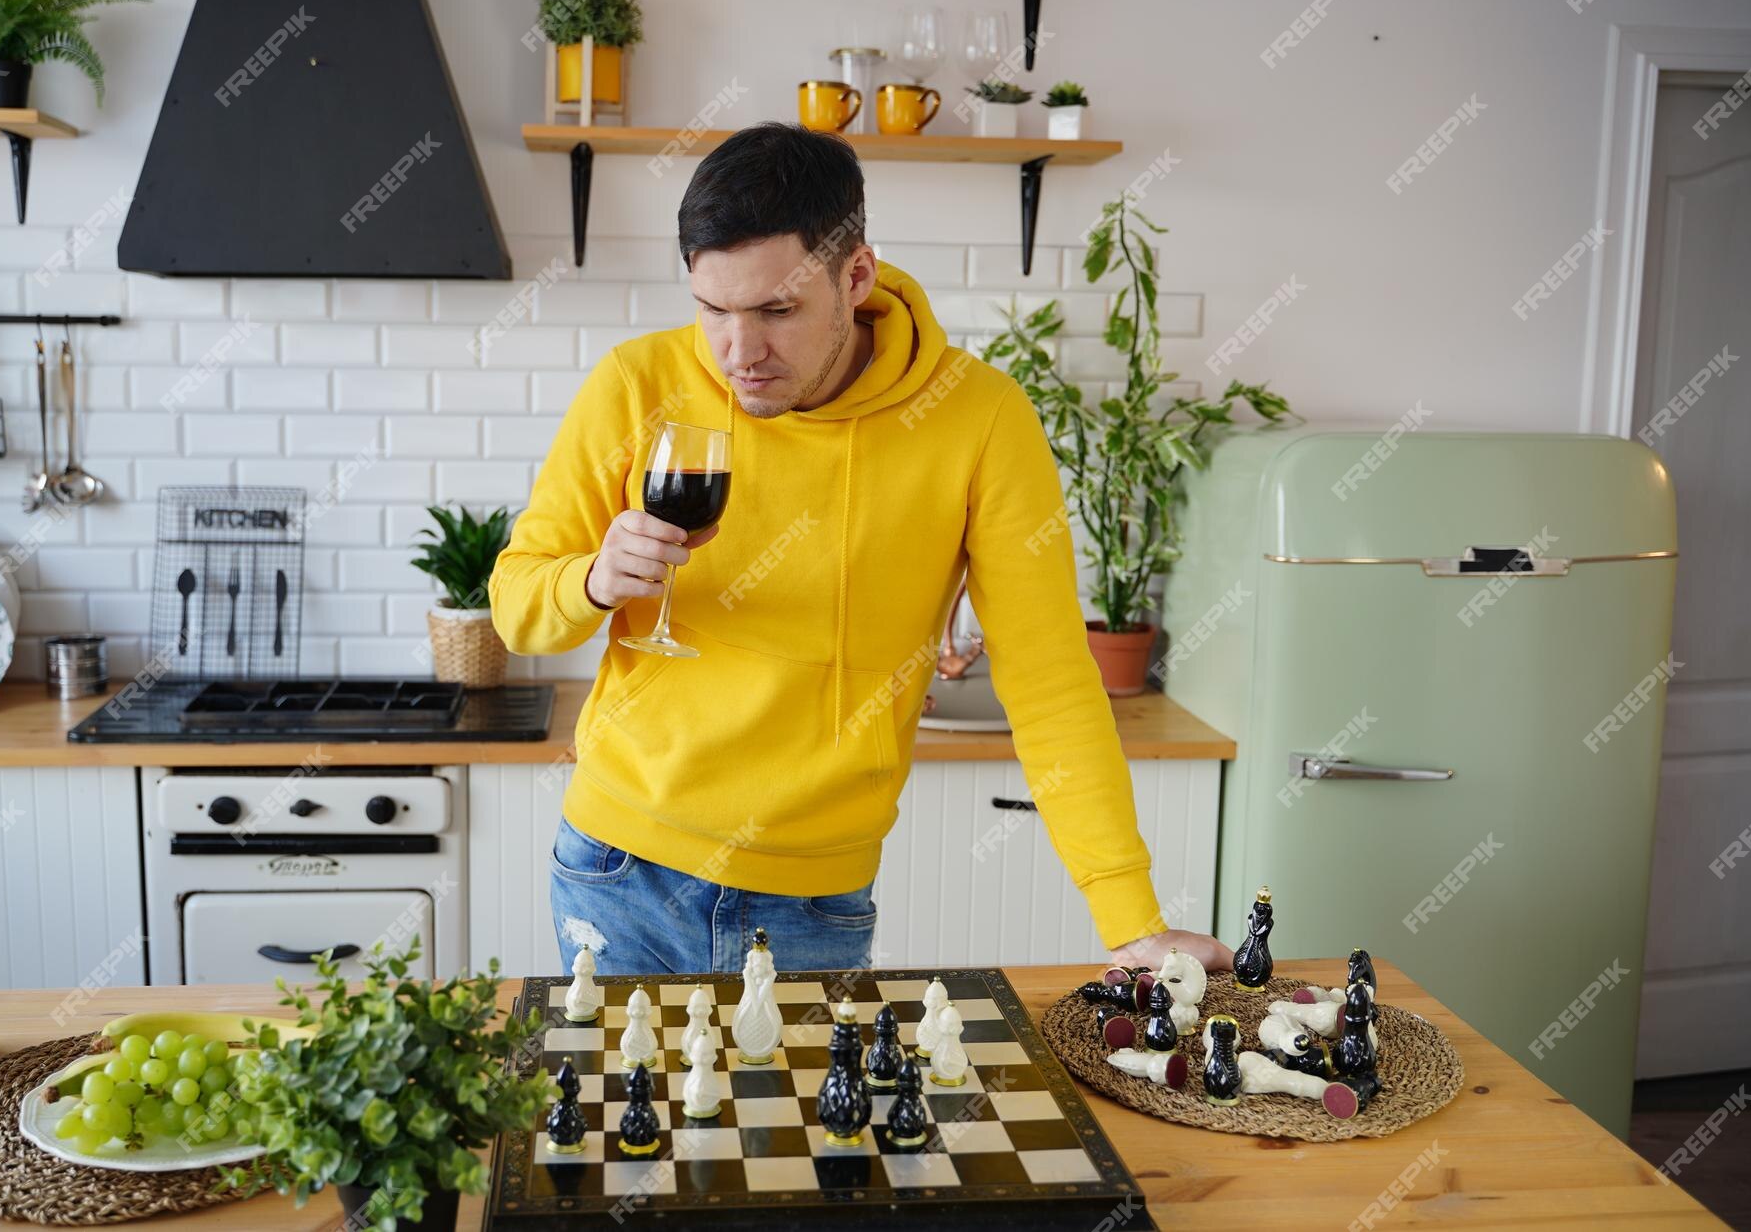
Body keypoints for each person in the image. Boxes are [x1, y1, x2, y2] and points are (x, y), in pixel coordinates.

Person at [490, 123, 1232, 978]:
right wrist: (591, 579)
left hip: (814, 901)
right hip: (617, 869)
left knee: (794, 1119)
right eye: (713, 309)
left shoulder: (979, 420)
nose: (740, 352)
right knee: (630, 1117)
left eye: (777, 310)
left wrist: (1130, 915)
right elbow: (517, 609)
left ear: (858, 276)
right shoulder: (636, 383)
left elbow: (1052, 677)